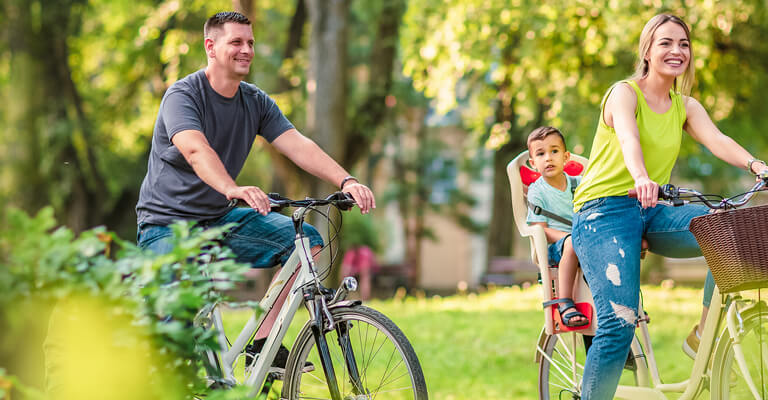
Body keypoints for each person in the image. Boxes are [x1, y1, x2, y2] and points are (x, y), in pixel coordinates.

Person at [134, 11, 375, 373]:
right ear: (210, 47)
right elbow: (196, 150)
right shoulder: (182, 96)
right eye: (236, 42)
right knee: (176, 338)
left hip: (219, 218)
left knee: (306, 242)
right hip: (168, 225)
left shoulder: (255, 101)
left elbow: (298, 144)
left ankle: (262, 344)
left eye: (250, 43)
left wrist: (347, 181)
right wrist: (232, 188)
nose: (246, 49)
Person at [570, 14, 768, 399]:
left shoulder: (685, 106)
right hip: (602, 213)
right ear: (647, 50)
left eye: (683, 44)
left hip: (650, 209)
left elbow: (719, 140)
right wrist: (642, 176)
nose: (676, 51)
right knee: (618, 325)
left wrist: (757, 165)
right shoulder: (624, 93)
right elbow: (629, 139)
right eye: (666, 43)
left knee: (724, 229)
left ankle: (702, 334)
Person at [525, 126, 587, 327]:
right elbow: (540, 229)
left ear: (566, 156)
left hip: (584, 240)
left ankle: (620, 304)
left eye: (554, 151)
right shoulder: (537, 191)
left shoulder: (579, 184)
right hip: (556, 247)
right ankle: (565, 302)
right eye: (541, 154)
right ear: (533, 163)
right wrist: (570, 237)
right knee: (572, 243)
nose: (548, 158)